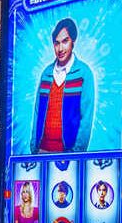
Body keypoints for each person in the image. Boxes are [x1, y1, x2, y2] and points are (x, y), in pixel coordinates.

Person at [31, 18, 94, 153]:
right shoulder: (46, 73)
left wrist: (76, 153)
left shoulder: (84, 73)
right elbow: (37, 112)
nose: (60, 48)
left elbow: (86, 118)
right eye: (56, 43)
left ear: (73, 42)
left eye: (65, 41)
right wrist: (34, 148)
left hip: (68, 153)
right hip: (42, 150)